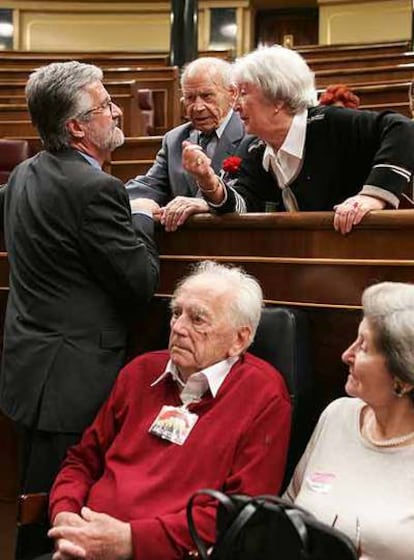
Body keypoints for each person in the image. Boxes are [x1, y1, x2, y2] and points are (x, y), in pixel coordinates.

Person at [36, 261, 291, 560]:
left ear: (239, 339)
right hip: (83, 544)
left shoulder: (264, 396)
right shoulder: (140, 372)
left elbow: (239, 513)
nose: (178, 327)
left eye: (198, 319)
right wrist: (66, 515)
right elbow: (82, 460)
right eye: (176, 313)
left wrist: (131, 541)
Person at [0, 61, 160, 501]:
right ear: (76, 127)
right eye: (106, 105)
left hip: (28, 373)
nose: (116, 112)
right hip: (73, 382)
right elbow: (141, 281)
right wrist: (141, 214)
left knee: (34, 504)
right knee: (64, 505)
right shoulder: (96, 189)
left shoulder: (24, 173)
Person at [182, 45, 414, 235]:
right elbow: (244, 204)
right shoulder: (254, 147)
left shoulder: (329, 122)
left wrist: (372, 196)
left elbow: (403, 129)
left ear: (278, 99)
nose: (235, 105)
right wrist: (208, 181)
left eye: (244, 93)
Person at [284, 281, 414, 560]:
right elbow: (289, 507)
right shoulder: (338, 415)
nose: (346, 355)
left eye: (364, 347)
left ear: (402, 376)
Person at [125, 57, 245, 232]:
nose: (197, 107)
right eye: (190, 98)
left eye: (207, 96)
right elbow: (151, 185)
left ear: (232, 93)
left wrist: (207, 203)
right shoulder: (175, 139)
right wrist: (109, 198)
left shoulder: (251, 135)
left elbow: (250, 197)